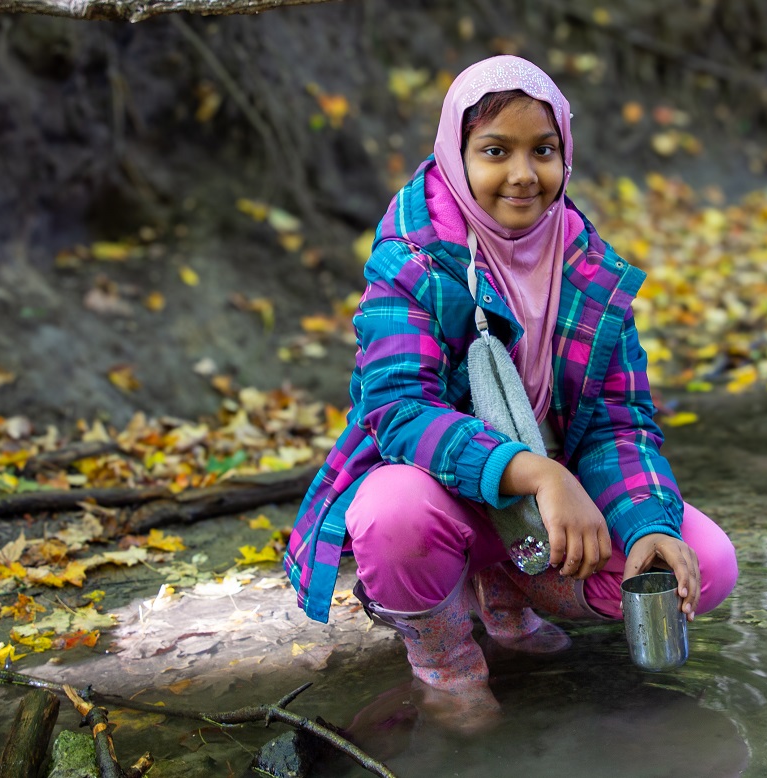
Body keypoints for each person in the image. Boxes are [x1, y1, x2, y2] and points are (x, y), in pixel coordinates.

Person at [284, 55, 738, 730]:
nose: (523, 175)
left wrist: (647, 525)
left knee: (703, 562)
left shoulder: (591, 272)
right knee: (390, 513)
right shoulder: (411, 259)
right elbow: (397, 411)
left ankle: (505, 590)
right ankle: (444, 662)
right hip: (443, 499)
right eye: (495, 151)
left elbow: (621, 423)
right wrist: (536, 473)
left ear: (566, 154)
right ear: (454, 154)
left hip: (544, 510)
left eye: (543, 151)